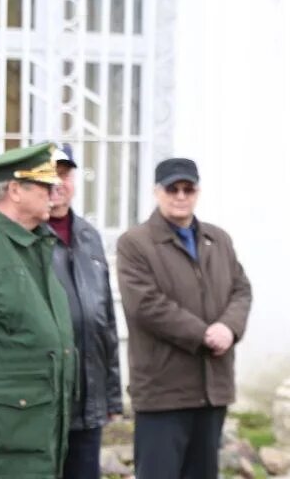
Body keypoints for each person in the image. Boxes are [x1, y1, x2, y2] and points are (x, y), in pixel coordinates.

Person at [116, 158, 253, 479]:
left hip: (212, 388)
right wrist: (204, 334)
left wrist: (228, 328)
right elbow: (146, 304)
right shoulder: (135, 243)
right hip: (164, 391)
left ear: (197, 192)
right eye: (172, 189)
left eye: (188, 189)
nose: (180, 196)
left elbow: (241, 290)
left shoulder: (218, 240)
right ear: (156, 192)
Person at [0, 142, 76, 478]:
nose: (56, 191)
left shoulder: (38, 247)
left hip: (41, 440)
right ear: (16, 190)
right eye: (46, 185)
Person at [47, 145, 123, 479]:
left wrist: (111, 396)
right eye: (49, 174)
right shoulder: (23, 237)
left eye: (64, 173)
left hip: (89, 404)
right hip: (44, 406)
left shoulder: (90, 237)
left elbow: (105, 321)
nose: (58, 183)